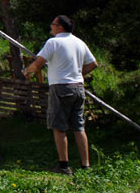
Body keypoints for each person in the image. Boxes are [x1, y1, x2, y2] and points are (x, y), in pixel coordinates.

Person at [24, 15, 97, 175]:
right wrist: (78, 73)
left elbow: (38, 63)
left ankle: (64, 166)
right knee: (78, 126)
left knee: (59, 127)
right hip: (78, 87)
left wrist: (26, 71)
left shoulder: (53, 42)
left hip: (61, 88)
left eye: (53, 24)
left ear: (60, 27)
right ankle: (85, 165)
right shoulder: (79, 42)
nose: (51, 26)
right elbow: (93, 63)